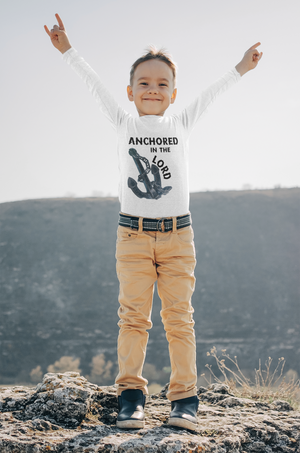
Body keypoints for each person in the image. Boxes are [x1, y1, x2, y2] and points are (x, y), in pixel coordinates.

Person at [44, 13, 263, 430]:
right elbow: (94, 87)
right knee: (133, 318)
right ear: (130, 91)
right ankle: (131, 396)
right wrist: (67, 50)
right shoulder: (124, 123)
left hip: (179, 236)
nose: (153, 90)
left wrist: (241, 67)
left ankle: (184, 399)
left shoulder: (180, 123)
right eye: (144, 83)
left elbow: (214, 94)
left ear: (174, 94)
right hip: (133, 236)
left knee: (180, 318)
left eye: (162, 84)